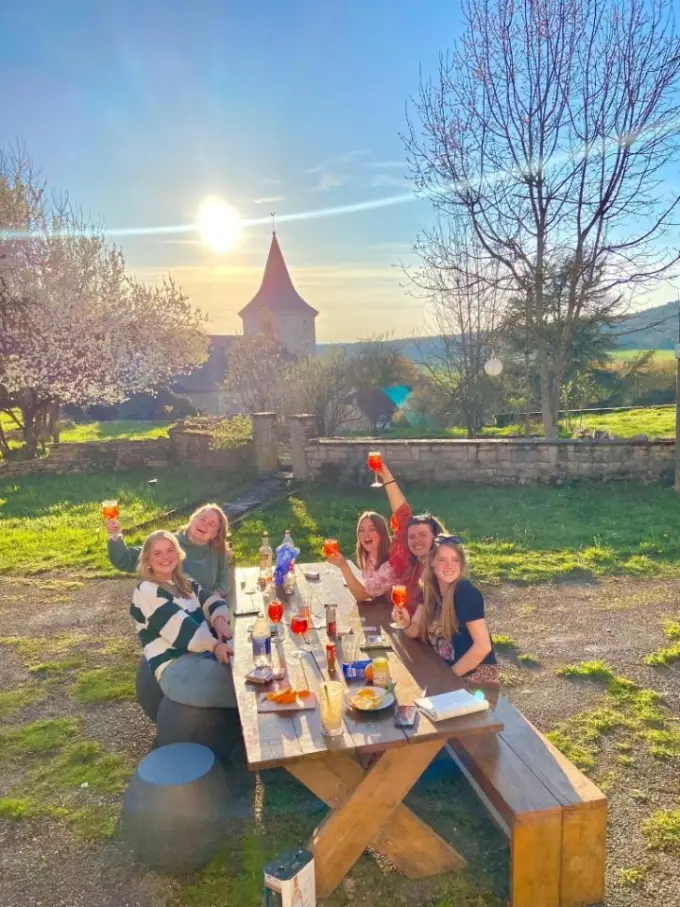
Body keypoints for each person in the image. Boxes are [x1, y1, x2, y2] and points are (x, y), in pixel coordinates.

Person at [130, 530, 236, 707]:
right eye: (157, 553)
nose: (165, 557)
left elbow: (214, 601)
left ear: (178, 554)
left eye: (170, 550)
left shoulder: (186, 583)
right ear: (147, 560)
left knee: (252, 676)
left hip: (204, 656)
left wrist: (219, 622)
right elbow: (184, 631)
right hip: (178, 668)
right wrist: (216, 645)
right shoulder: (146, 590)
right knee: (243, 688)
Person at [392, 534, 499, 687]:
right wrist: (405, 622)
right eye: (442, 559)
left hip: (474, 678)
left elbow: (483, 647)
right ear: (432, 563)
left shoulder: (465, 592)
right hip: (444, 669)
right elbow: (414, 630)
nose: (449, 566)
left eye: (455, 560)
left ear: (461, 565)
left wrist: (446, 678)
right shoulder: (429, 590)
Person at [107, 502, 231, 598]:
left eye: (211, 524)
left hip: (205, 614)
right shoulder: (169, 542)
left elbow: (224, 578)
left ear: (216, 534)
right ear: (192, 519)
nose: (204, 524)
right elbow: (124, 559)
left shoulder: (217, 551)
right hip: (170, 615)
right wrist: (115, 535)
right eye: (202, 519)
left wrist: (216, 595)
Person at [377, 459, 446, 616]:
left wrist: (387, 476)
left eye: (423, 535)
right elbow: (402, 516)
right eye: (412, 536)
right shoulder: (413, 563)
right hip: (410, 630)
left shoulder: (442, 569)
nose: (416, 541)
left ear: (436, 537)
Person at [324, 511, 395, 601]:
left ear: (382, 533)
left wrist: (344, 566)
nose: (366, 535)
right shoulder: (369, 556)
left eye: (372, 529)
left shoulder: (390, 566)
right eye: (361, 530)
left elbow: (360, 595)